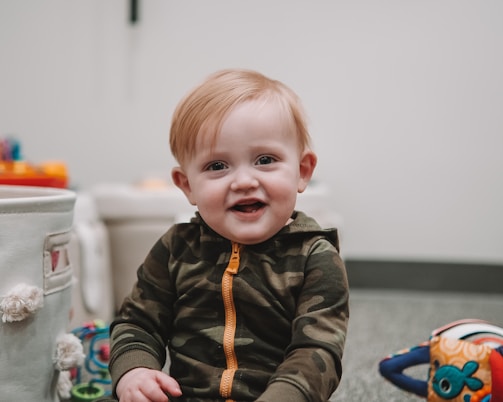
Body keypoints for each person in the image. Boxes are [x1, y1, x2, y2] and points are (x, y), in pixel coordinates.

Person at [102, 68, 349, 402]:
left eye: (265, 160)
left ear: (302, 171)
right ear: (187, 185)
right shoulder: (176, 248)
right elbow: (138, 322)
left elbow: (317, 351)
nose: (244, 181)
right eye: (217, 166)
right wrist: (134, 370)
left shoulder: (315, 256)